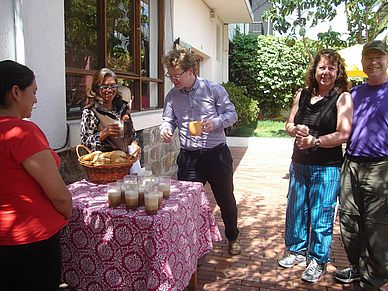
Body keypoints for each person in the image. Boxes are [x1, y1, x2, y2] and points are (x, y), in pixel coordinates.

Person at [278, 49, 354, 282]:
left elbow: (344, 134)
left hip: (327, 167)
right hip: (299, 164)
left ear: (338, 71)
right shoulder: (302, 94)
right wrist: (296, 129)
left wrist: (316, 141)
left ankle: (317, 260)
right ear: (315, 70)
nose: (326, 72)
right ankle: (297, 251)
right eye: (322, 67)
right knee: (296, 210)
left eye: (331, 68)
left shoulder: (342, 98)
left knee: (322, 214)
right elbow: (289, 124)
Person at [160, 47, 241, 255]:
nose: (173, 79)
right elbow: (168, 120)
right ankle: (191, 247)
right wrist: (166, 129)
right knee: (187, 205)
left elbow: (232, 114)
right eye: (170, 75)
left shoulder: (213, 89)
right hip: (189, 158)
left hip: (217, 155)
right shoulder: (172, 96)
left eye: (177, 75)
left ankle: (232, 237)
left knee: (226, 201)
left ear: (190, 71)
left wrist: (214, 123)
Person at [0, 60, 73, 290]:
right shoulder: (20, 131)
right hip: (31, 242)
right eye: (33, 92)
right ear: (15, 92)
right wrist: (67, 214)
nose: (35, 99)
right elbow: (58, 195)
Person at [333, 40, 388, 290]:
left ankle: (373, 279)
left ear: (387, 61)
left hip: (380, 167)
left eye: (380, 57)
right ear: (363, 62)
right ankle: (357, 266)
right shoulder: (354, 93)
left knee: (376, 225)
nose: (374, 62)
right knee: (349, 220)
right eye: (369, 57)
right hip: (352, 164)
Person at [80, 68, 140, 154]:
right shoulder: (90, 112)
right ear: (97, 88)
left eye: (113, 86)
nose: (109, 90)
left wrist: (134, 144)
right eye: (104, 87)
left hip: (127, 161)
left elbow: (132, 135)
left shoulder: (123, 107)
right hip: (106, 163)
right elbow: (85, 144)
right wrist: (104, 133)